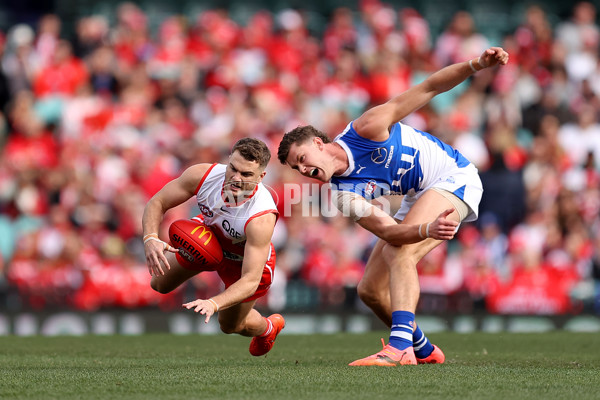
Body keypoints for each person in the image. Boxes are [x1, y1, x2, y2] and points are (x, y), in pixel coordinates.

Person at [278, 47, 509, 366]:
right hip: (420, 194)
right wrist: (426, 229)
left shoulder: (367, 128)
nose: (303, 170)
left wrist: (476, 64)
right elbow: (388, 229)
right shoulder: (343, 194)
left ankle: (400, 349)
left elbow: (429, 88)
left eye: (302, 159)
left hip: (454, 176)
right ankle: (424, 349)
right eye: (296, 169)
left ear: (319, 143)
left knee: (398, 253)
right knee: (369, 290)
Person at [142, 138, 284, 357]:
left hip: (242, 262)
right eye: (233, 169)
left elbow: (250, 280)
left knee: (229, 326)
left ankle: (267, 327)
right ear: (227, 162)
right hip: (207, 239)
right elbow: (157, 202)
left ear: (261, 177)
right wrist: (150, 237)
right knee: (159, 284)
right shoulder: (203, 175)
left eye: (246, 175)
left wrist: (213, 302)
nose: (236, 178)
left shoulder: (261, 217)